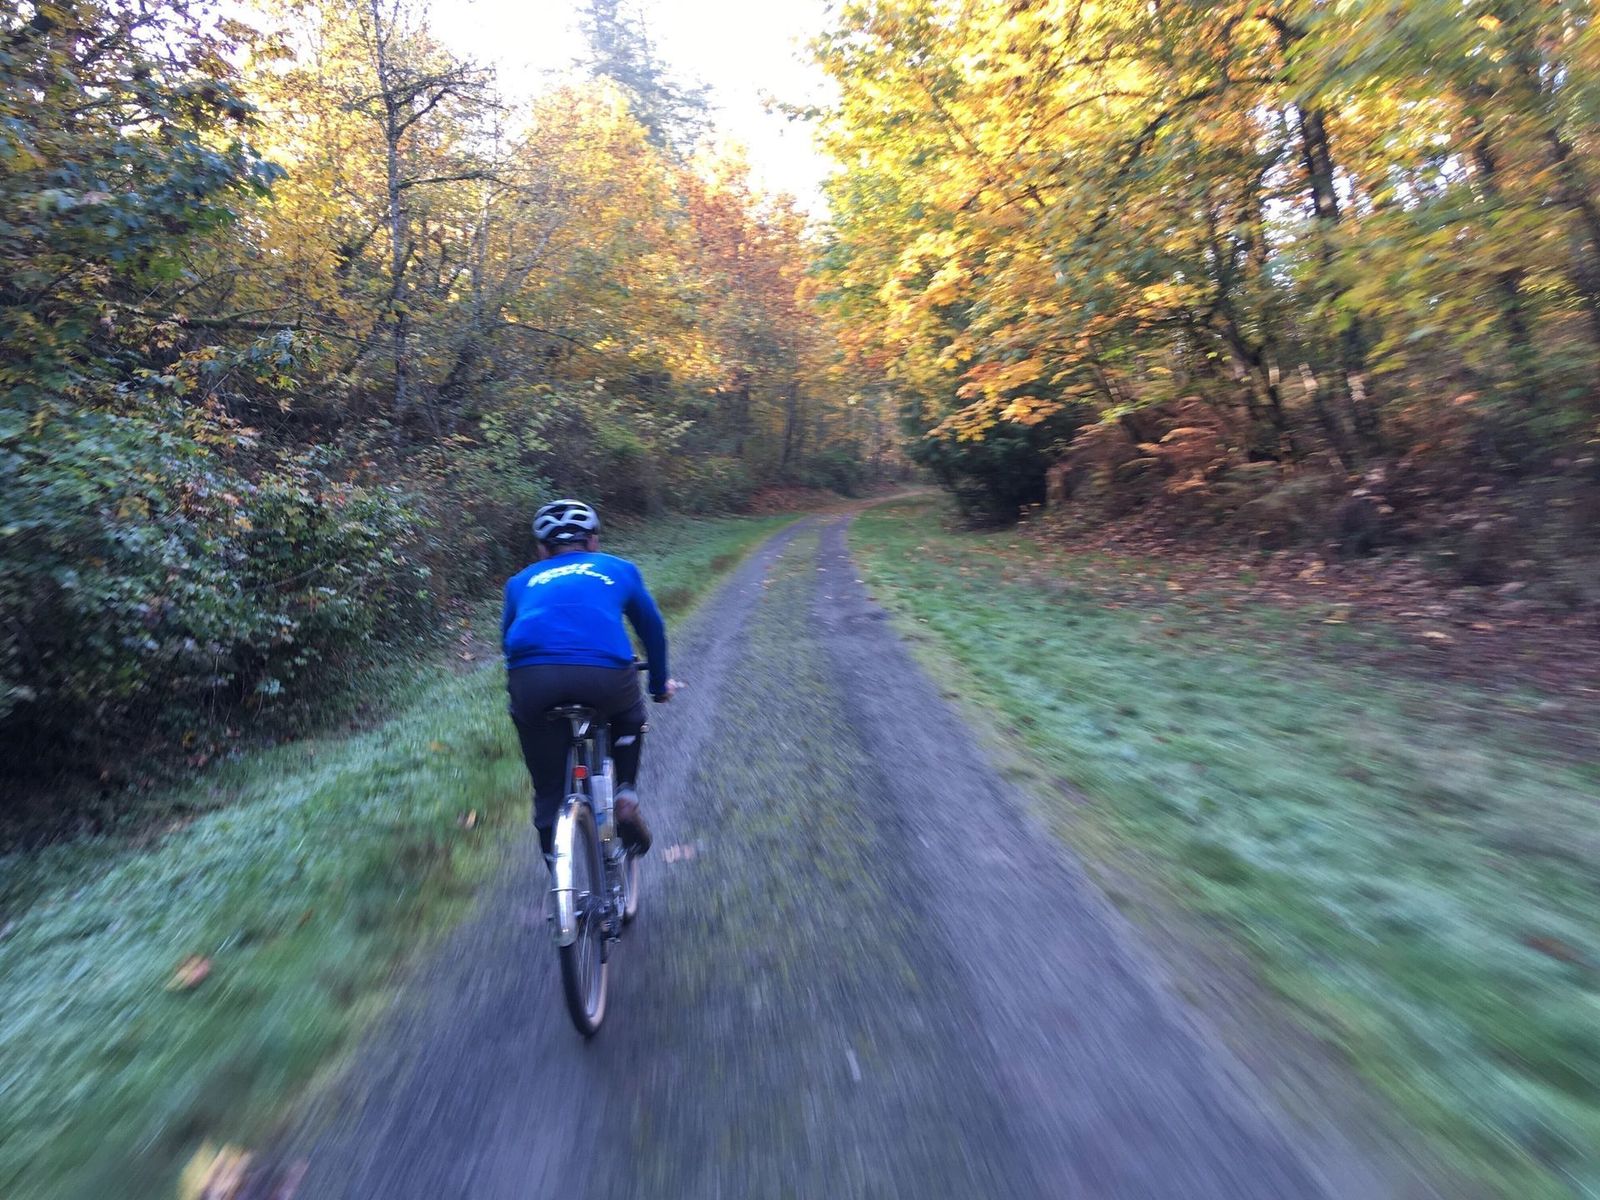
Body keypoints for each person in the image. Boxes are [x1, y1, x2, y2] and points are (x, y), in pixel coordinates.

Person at [502, 498, 672, 864]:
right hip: (605, 676)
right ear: (593, 541)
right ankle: (624, 795)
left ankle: (556, 866)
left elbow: (506, 643)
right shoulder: (618, 568)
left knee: (548, 789)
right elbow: (652, 630)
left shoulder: (520, 582)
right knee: (628, 714)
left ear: (542, 549)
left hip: (533, 679)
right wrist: (659, 686)